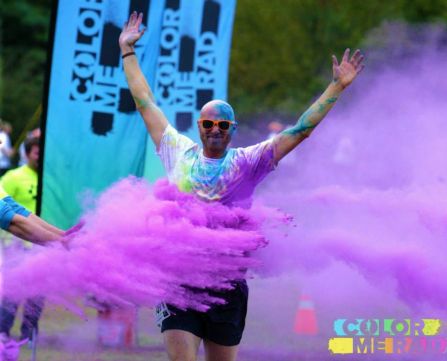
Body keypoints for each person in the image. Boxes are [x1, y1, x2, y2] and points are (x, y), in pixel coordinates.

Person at [119, 11, 364, 361]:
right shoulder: (178, 151)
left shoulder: (249, 161)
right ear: (199, 125)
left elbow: (300, 130)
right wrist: (128, 51)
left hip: (227, 283)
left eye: (222, 124)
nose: (215, 129)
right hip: (179, 278)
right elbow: (145, 102)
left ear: (232, 129)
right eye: (208, 123)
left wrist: (337, 86)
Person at [0, 137, 45, 341]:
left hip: (42, 246)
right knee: (12, 292)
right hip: (17, 245)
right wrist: (6, 242)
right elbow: (6, 212)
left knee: (37, 294)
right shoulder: (12, 177)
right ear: (27, 154)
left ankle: (29, 335)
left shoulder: (50, 178)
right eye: (36, 152)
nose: (40, 156)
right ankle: (3, 331)